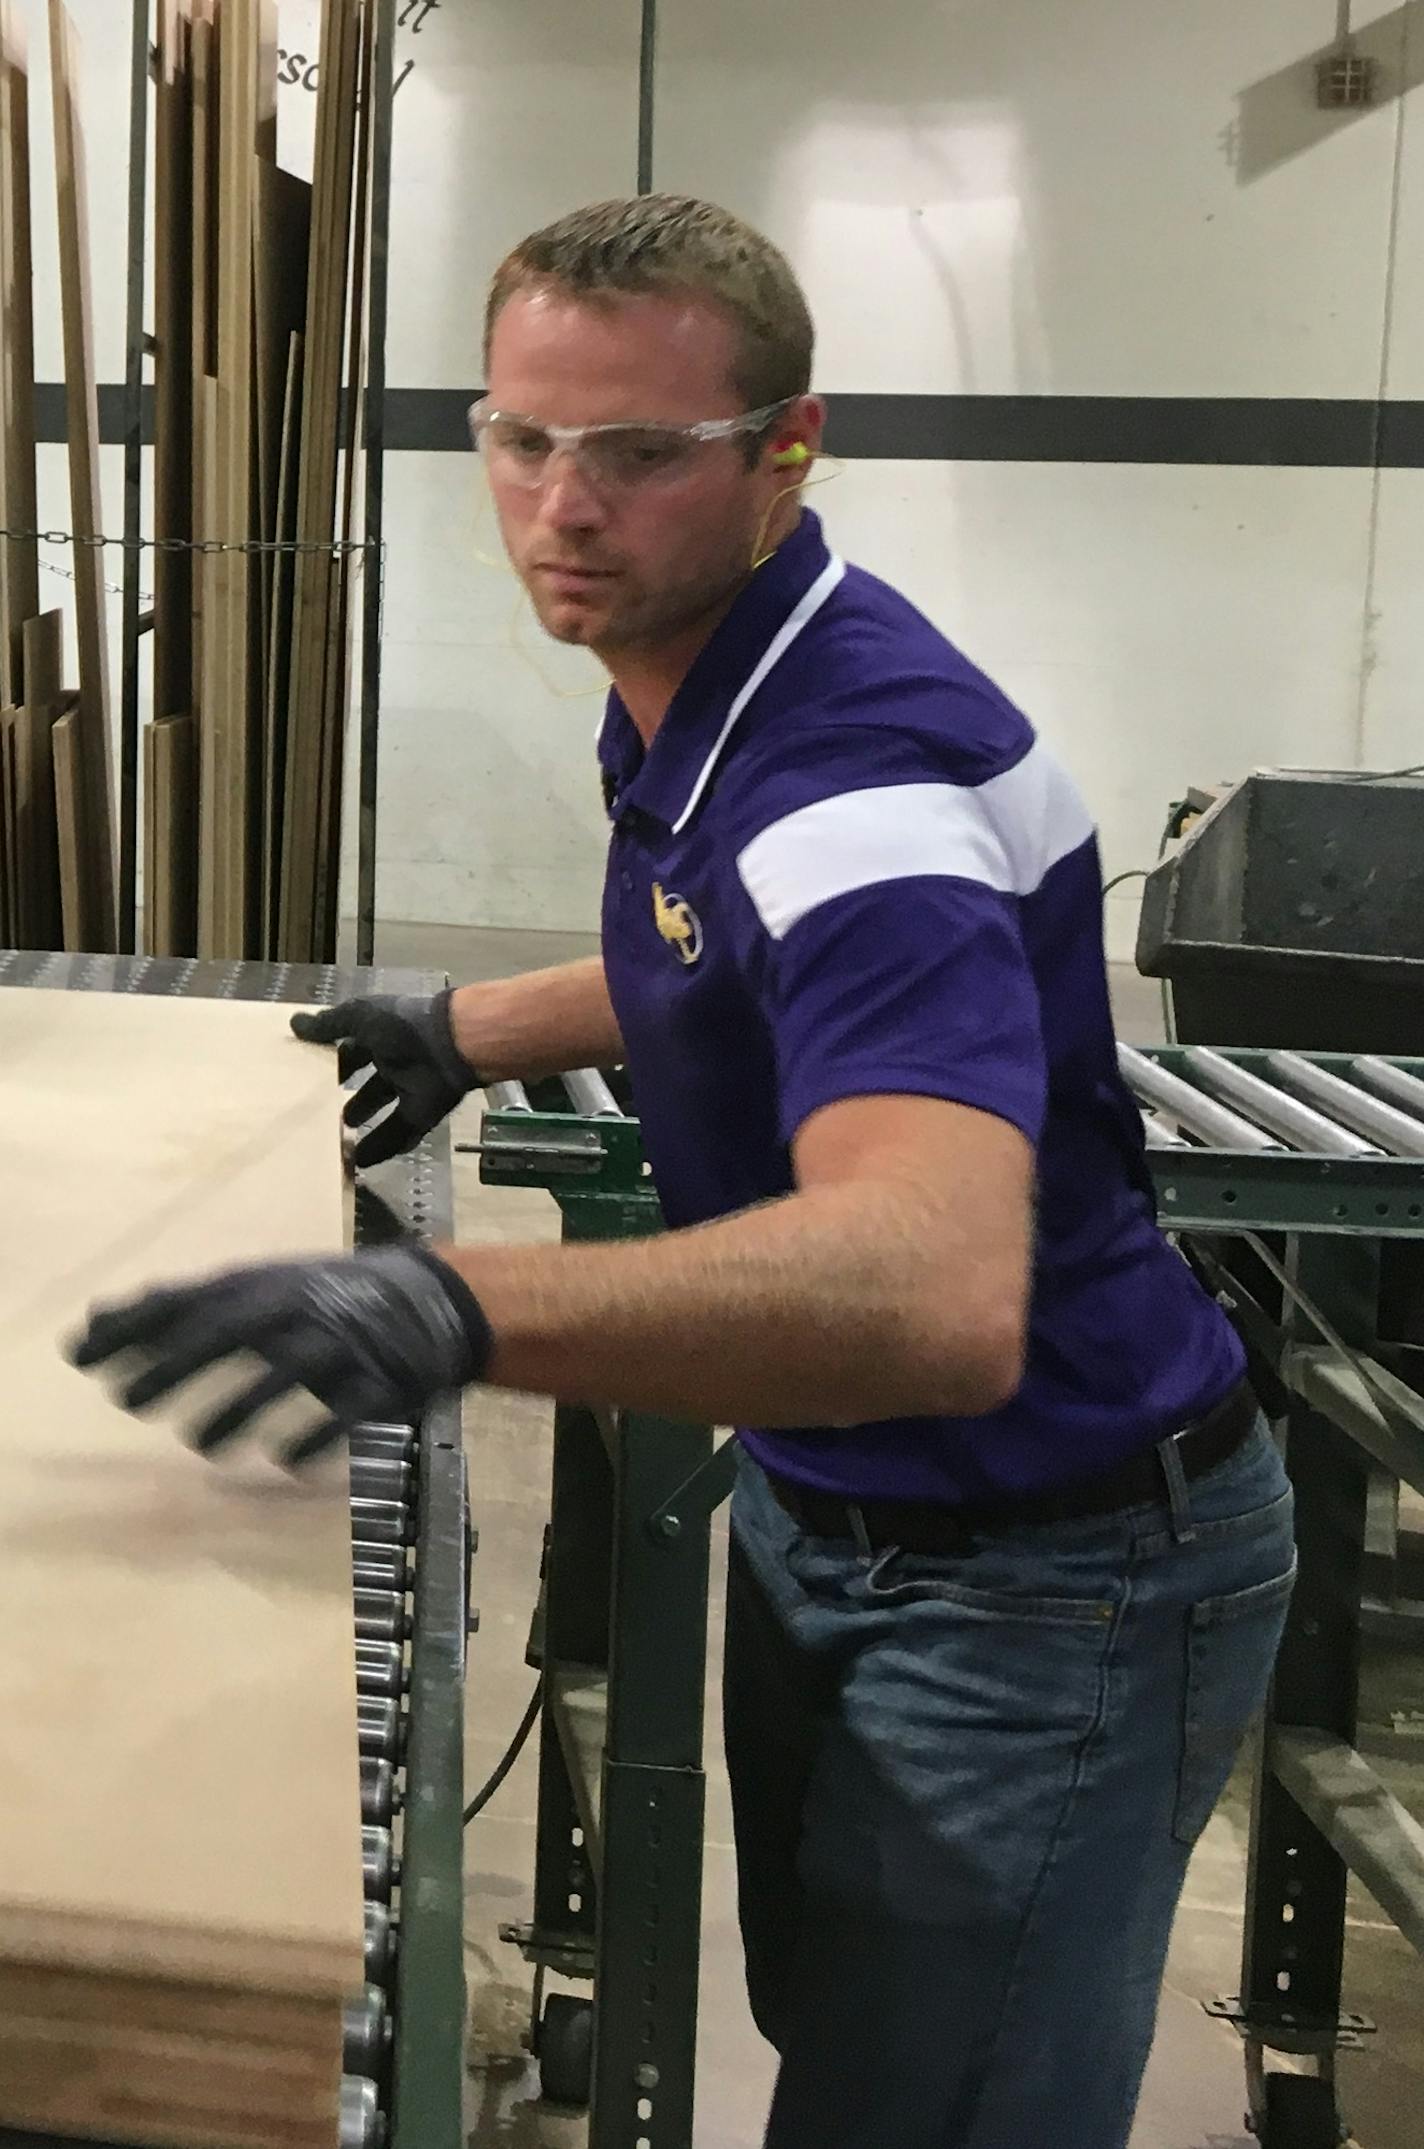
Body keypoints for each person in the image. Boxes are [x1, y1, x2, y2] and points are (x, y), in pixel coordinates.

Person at [73, 196, 1295, 2148]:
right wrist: (465, 1029)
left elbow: (928, 1288)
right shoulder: (702, 671)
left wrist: (444, 1302)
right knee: (846, 2029)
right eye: (523, 438)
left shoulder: (856, 786)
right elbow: (711, 946)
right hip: (842, 1511)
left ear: (784, 449)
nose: (563, 504)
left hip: (1044, 1573)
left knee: (929, 2114)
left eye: (640, 452)